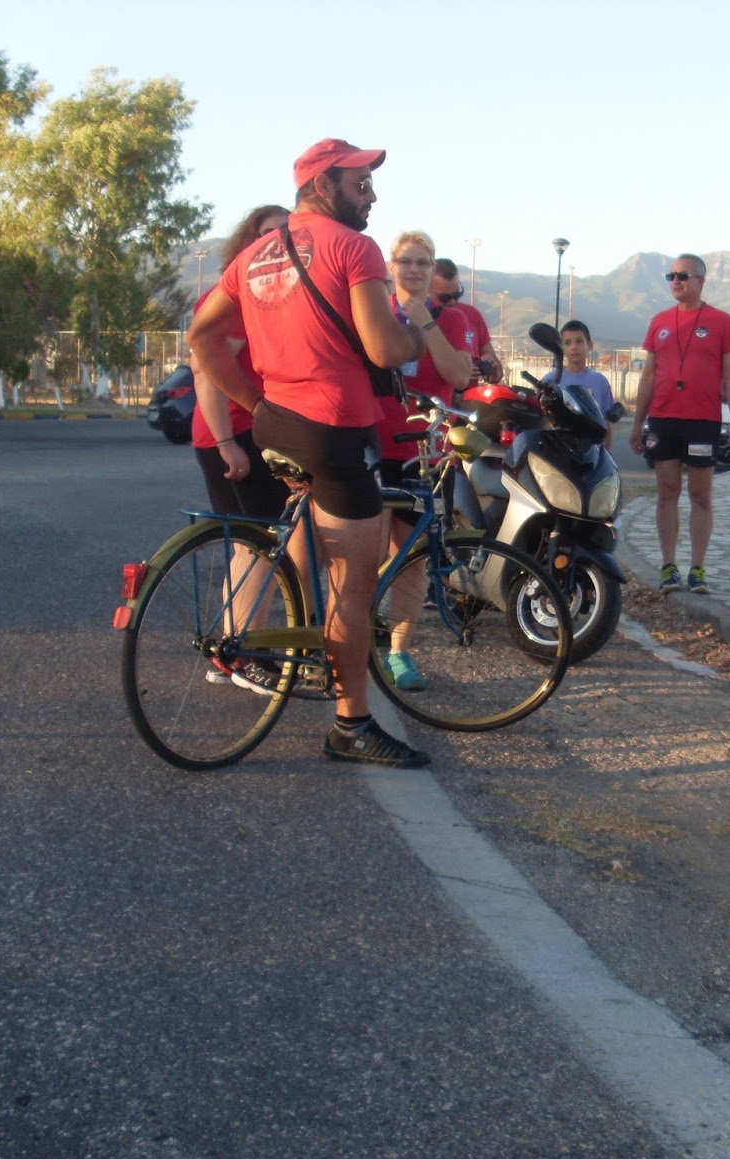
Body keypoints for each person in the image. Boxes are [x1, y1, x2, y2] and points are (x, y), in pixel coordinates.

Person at [188, 137, 431, 769]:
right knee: (353, 583)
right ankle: (351, 726)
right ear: (324, 185)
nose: (372, 195)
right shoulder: (353, 247)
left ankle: (300, 647)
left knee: (303, 553)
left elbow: (201, 336)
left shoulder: (253, 256)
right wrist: (414, 335)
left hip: (277, 424)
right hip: (336, 428)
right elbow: (384, 349)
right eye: (361, 183)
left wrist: (255, 402)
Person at [187, 204, 295, 694]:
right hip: (231, 432)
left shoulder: (267, 295)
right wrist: (227, 443)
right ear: (247, 242)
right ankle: (244, 653)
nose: (279, 242)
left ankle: (229, 651)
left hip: (250, 431)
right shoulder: (232, 296)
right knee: (261, 545)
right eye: (268, 234)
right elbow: (205, 369)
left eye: (288, 234)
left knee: (250, 547)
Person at [380, 230, 473, 691]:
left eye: (423, 262)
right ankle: (355, 637)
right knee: (364, 553)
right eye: (406, 261)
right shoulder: (374, 311)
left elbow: (459, 376)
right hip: (374, 445)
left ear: (433, 269)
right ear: (391, 266)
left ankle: (399, 652)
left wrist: (425, 322)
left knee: (412, 557)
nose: (414, 269)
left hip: (425, 453)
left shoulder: (450, 318)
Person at [629, 254, 730, 595]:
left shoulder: (721, 321)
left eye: (683, 276)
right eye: (671, 276)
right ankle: (668, 566)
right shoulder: (660, 321)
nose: (676, 281)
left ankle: (697, 569)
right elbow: (649, 374)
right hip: (664, 419)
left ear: (700, 281)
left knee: (700, 495)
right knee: (667, 492)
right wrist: (637, 423)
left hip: (702, 421)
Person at [542, 319, 617, 448]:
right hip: (559, 448)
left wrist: (607, 452)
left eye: (579, 341)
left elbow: (606, 422)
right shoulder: (551, 379)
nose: (573, 347)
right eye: (567, 343)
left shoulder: (600, 381)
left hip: (591, 449)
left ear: (590, 345)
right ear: (561, 347)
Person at [432, 258, 502, 384]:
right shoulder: (420, 318)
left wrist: (492, 367)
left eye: (457, 295)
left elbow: (494, 368)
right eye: (445, 298)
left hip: (469, 394)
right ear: (427, 290)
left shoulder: (472, 314)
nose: (452, 302)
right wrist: (460, 372)